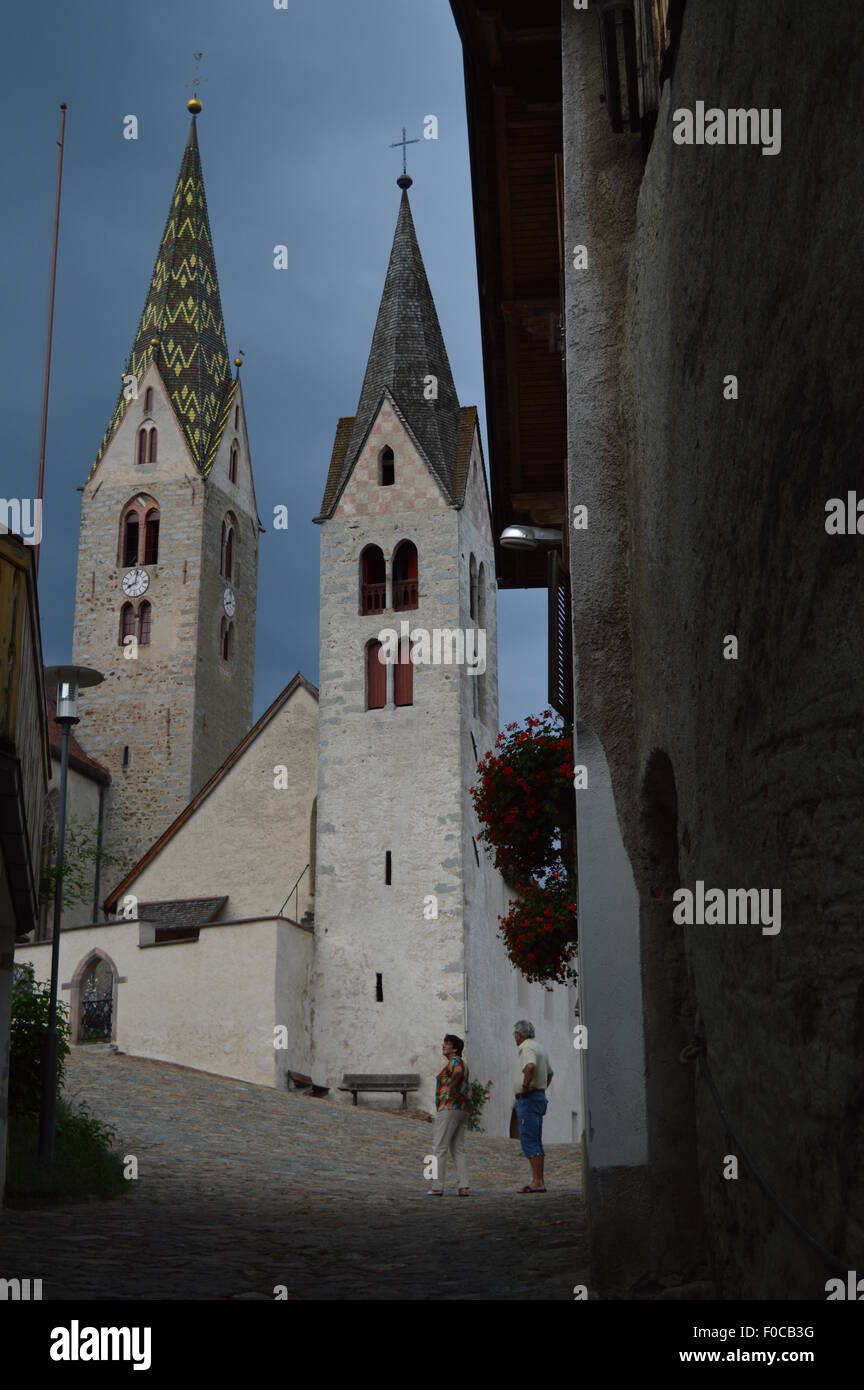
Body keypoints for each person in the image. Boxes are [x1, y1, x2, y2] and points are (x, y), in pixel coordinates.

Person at [428, 1033, 471, 1197]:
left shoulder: (455, 1061)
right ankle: (463, 1186)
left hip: (449, 1107)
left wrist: (451, 1087)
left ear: (455, 1048)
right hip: (462, 1109)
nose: (443, 1046)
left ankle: (437, 1186)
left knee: (439, 1147)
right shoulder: (462, 1063)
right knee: (458, 1148)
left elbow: (458, 1072)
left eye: (447, 1044)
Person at [513, 1019, 553, 1193]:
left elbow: (529, 1066)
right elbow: (550, 1074)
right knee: (535, 1137)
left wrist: (525, 1087)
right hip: (538, 1096)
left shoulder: (526, 1047)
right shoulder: (540, 1047)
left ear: (519, 1034)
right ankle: (539, 1180)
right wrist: (540, 1087)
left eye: (515, 1034)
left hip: (529, 1098)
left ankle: (537, 1181)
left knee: (529, 1138)